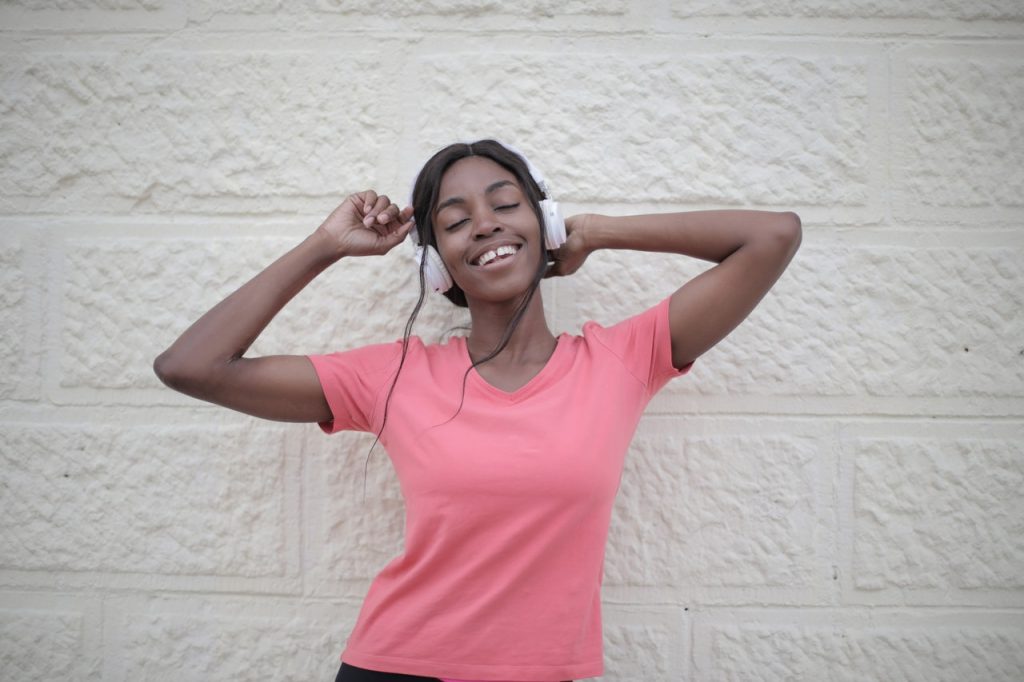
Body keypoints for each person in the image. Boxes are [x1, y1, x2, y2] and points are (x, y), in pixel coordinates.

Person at [154, 140, 801, 682]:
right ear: (438, 265)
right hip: (397, 668)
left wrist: (597, 231)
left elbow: (772, 235)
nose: (486, 224)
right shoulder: (397, 376)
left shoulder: (621, 360)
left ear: (541, 222)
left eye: (506, 204)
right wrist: (325, 245)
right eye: (456, 219)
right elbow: (192, 366)